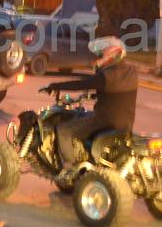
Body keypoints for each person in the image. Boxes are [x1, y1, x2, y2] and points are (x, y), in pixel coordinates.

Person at [43, 36, 138, 177]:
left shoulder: (105, 76)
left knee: (64, 130)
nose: (100, 56)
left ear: (114, 53)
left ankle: (70, 170)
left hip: (104, 122)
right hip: (126, 124)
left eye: (102, 53)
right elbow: (116, 95)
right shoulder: (132, 72)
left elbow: (80, 84)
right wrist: (97, 95)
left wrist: (54, 86)